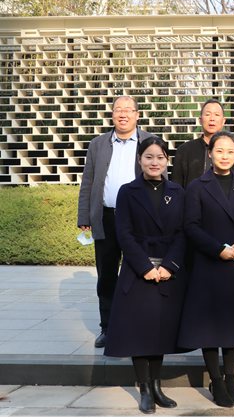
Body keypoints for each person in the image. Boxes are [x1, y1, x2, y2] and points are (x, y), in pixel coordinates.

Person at [103, 137, 187, 414]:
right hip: (138, 269)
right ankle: (144, 389)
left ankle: (157, 386)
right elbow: (123, 233)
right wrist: (145, 267)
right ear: (139, 160)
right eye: (149, 157)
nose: (154, 162)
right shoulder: (128, 192)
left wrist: (169, 265)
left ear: (167, 161)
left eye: (160, 157)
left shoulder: (177, 191)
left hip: (166, 270)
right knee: (140, 331)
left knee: (160, 330)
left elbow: (182, 233)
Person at [179, 131, 234, 408]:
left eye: (230, 151)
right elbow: (191, 226)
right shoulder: (197, 187)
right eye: (219, 150)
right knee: (210, 327)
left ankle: (231, 379)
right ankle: (216, 380)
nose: (225, 156)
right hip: (208, 264)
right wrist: (217, 249)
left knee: (233, 325)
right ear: (210, 153)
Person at [77, 95, 160, 348]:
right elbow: (88, 181)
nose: (123, 114)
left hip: (139, 218)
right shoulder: (98, 144)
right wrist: (84, 216)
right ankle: (108, 327)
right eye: (118, 110)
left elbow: (161, 178)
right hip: (106, 217)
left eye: (128, 110)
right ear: (112, 114)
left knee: (141, 270)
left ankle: (140, 325)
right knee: (107, 275)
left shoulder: (149, 141)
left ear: (137, 115)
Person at [172, 98, 234, 187]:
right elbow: (176, 187)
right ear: (200, 120)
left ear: (223, 121)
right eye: (207, 114)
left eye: (217, 115)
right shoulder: (185, 150)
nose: (212, 119)